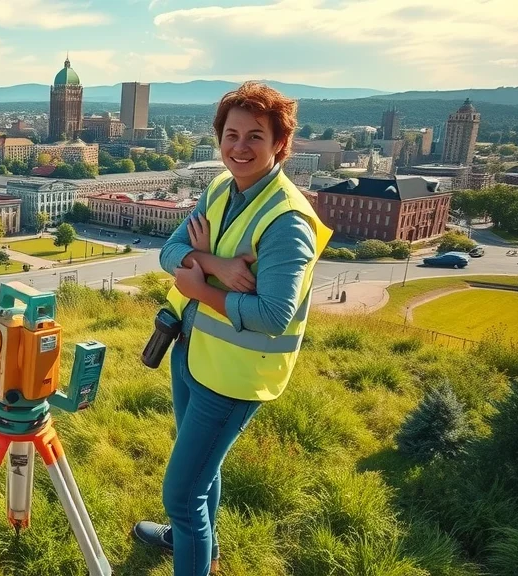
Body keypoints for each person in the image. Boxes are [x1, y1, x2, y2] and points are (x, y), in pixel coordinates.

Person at [132, 82, 332, 575]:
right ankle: (201, 545)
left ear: (280, 145)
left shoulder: (287, 220)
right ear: (219, 139)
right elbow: (169, 254)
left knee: (180, 493)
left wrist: (200, 287)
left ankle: (189, 537)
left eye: (255, 137)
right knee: (201, 474)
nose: (240, 147)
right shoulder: (221, 188)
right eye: (231, 135)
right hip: (192, 352)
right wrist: (215, 264)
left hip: (237, 372)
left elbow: (271, 315)